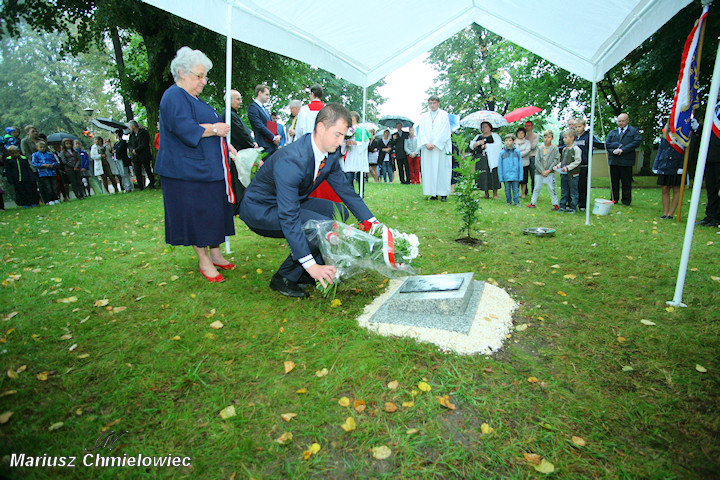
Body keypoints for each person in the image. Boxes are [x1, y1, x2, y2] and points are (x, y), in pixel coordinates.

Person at [239, 103, 378, 298]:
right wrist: (312, 266)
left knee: (339, 213)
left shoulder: (330, 154)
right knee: (319, 227)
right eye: (337, 135)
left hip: (289, 202)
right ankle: (285, 277)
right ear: (321, 128)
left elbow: (346, 191)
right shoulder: (292, 159)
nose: (341, 142)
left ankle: (303, 271)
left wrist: (373, 223)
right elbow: (289, 216)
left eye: (343, 136)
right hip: (261, 209)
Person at [155, 46, 236, 283]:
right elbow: (184, 129)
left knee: (213, 213)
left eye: (204, 76)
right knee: (197, 216)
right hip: (185, 172)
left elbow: (210, 131)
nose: (204, 81)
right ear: (182, 73)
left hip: (207, 168)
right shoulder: (173, 96)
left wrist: (225, 144)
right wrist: (214, 129)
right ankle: (203, 260)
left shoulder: (195, 98)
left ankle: (216, 253)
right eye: (199, 76)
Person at [224, 89, 258, 212]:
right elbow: (241, 133)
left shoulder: (233, 114)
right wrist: (251, 143)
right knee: (237, 180)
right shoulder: (229, 115)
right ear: (230, 100)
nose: (240, 102)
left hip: (239, 150)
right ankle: (237, 205)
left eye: (240, 99)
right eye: (237, 99)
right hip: (235, 152)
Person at [419, 95, 452, 201]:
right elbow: (421, 131)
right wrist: (426, 142)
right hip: (428, 148)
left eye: (434, 103)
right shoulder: (424, 116)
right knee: (430, 170)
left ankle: (443, 194)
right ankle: (433, 193)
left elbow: (445, 131)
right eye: (430, 103)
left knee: (442, 170)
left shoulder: (444, 115)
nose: (432, 105)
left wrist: (436, 143)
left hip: (440, 148)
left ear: (438, 103)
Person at [605, 113, 641, 205]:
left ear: (627, 121)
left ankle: (626, 200)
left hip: (626, 161)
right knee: (614, 182)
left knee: (626, 182)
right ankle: (614, 199)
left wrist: (623, 150)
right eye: (619, 121)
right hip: (614, 160)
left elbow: (636, 142)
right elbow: (607, 144)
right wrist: (613, 150)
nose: (620, 123)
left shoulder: (633, 131)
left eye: (623, 121)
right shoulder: (613, 132)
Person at [652, 123, 685, 220]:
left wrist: (682, 166)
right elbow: (661, 149)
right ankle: (665, 212)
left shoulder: (683, 132)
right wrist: (656, 164)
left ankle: (671, 213)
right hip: (664, 164)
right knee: (665, 188)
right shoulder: (665, 133)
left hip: (676, 164)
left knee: (676, 189)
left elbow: (687, 151)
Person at [572, 118, 605, 211]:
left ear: (584, 126)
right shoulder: (573, 137)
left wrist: (611, 145)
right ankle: (573, 202)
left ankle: (582, 204)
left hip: (584, 165)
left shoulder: (588, 136)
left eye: (579, 126)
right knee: (574, 185)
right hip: (573, 165)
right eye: (576, 127)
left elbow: (598, 144)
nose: (578, 129)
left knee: (582, 185)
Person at [698, 102, 720, 227]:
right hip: (710, 153)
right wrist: (697, 128)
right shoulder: (713, 107)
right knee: (711, 187)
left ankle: (718, 217)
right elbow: (708, 131)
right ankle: (710, 216)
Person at [469, 121, 501, 199]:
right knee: (483, 175)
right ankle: (486, 193)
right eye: (482, 127)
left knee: (493, 174)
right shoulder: (478, 136)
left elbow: (498, 145)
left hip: (491, 159)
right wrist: (479, 143)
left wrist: (488, 146)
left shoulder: (495, 136)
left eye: (486, 126)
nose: (484, 128)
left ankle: (495, 193)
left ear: (490, 127)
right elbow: (472, 145)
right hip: (481, 158)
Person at [528, 130, 559, 210]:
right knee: (536, 187)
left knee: (552, 188)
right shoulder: (540, 148)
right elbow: (537, 160)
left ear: (552, 138)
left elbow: (555, 160)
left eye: (548, 137)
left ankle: (555, 204)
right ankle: (533, 202)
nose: (546, 139)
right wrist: (542, 171)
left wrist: (549, 170)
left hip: (550, 172)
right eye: (545, 137)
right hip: (539, 172)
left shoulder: (555, 148)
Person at [554, 129, 582, 213]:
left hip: (573, 175)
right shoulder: (564, 149)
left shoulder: (576, 149)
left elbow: (577, 161)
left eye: (566, 137)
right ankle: (562, 207)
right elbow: (563, 161)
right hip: (564, 174)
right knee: (564, 191)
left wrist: (567, 168)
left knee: (573, 192)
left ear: (572, 138)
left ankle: (573, 208)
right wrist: (557, 166)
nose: (564, 139)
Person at [248, 84, 281, 155]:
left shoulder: (265, 109)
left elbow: (271, 124)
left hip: (272, 145)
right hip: (263, 145)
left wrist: (277, 135)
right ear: (259, 93)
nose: (268, 97)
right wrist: (273, 137)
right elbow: (259, 125)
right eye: (266, 94)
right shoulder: (253, 108)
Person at [341, 111, 370, 190]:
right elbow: (343, 143)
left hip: (359, 155)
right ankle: (351, 193)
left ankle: (361, 193)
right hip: (350, 154)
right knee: (349, 175)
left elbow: (366, 143)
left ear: (356, 119)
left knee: (360, 175)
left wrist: (356, 143)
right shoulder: (347, 130)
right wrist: (346, 143)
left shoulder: (361, 130)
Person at [128, 120, 156, 190]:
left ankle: (152, 184)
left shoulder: (143, 132)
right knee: (137, 171)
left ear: (133, 126)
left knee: (147, 169)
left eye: (130, 126)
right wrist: (132, 150)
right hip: (135, 156)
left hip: (143, 154)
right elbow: (130, 144)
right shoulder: (131, 135)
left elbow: (144, 143)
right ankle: (140, 186)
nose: (129, 128)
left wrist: (137, 150)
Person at [497, 134, 523, 206]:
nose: (508, 142)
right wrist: (501, 177)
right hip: (506, 175)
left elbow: (520, 164)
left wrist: (520, 176)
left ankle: (516, 202)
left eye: (510, 140)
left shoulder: (517, 152)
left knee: (516, 190)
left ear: (513, 141)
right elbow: (500, 166)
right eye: (506, 140)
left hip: (515, 175)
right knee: (507, 190)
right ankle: (508, 201)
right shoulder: (502, 153)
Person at [31, 140, 59, 205]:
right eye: (41, 147)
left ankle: (56, 198)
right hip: (43, 173)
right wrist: (42, 165)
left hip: (52, 172)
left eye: (44, 147)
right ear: (37, 147)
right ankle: (50, 199)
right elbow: (34, 163)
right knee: (47, 187)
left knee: (54, 186)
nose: (42, 148)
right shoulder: (35, 155)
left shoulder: (49, 154)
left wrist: (52, 165)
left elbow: (55, 162)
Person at [514, 127, 531, 198]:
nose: (520, 135)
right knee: (516, 179)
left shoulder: (527, 142)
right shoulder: (514, 142)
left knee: (524, 179)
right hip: (515, 163)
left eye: (522, 133)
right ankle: (516, 193)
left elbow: (527, 150)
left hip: (524, 163)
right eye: (519, 133)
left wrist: (519, 154)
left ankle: (523, 193)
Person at [524, 120, 540, 197]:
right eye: (525, 126)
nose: (527, 127)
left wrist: (525, 147)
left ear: (532, 127)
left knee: (533, 175)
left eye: (528, 126)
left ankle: (534, 191)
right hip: (524, 157)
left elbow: (533, 146)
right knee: (524, 174)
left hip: (532, 156)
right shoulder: (523, 135)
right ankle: (525, 190)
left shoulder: (535, 135)